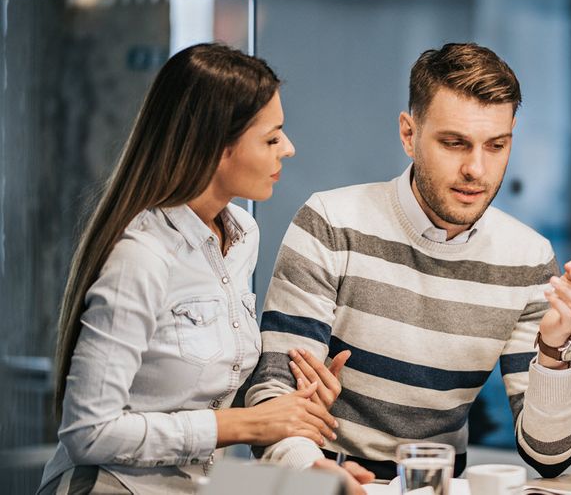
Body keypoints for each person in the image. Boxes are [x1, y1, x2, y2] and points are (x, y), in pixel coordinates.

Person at [247, 42, 571, 481]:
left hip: (434, 488)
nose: (476, 170)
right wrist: (314, 474)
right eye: (454, 143)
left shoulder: (528, 259)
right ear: (409, 134)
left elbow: (550, 456)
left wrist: (556, 349)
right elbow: (272, 395)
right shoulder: (332, 223)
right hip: (323, 481)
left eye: (496, 145)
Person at [39, 44, 371, 494]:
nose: (288, 149)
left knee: (332, 491)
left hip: (196, 484)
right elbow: (86, 433)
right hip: (112, 485)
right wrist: (244, 425)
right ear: (217, 148)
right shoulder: (142, 255)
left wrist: (305, 456)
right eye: (272, 138)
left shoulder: (242, 236)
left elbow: (208, 391)